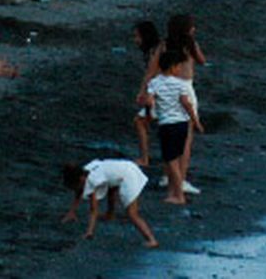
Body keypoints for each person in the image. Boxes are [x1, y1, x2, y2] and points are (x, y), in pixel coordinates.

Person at [146, 48, 202, 205]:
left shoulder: (154, 83)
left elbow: (149, 101)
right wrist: (196, 121)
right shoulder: (181, 84)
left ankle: (179, 194)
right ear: (172, 67)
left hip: (167, 125)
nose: (179, 69)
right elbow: (186, 104)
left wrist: (150, 114)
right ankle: (173, 191)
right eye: (178, 66)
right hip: (182, 124)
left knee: (170, 160)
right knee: (176, 157)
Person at [62, 160, 158, 247]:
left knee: (132, 213)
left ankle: (151, 240)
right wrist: (72, 211)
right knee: (111, 189)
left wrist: (89, 231)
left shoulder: (91, 180)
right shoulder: (85, 169)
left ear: (81, 180)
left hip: (128, 176)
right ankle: (110, 215)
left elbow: (94, 209)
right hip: (126, 167)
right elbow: (78, 192)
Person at [130, 21, 163, 167]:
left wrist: (144, 92)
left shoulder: (154, 52)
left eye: (137, 36)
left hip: (159, 93)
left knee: (140, 121)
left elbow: (151, 73)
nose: (135, 40)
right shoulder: (158, 49)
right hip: (162, 92)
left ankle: (145, 158)